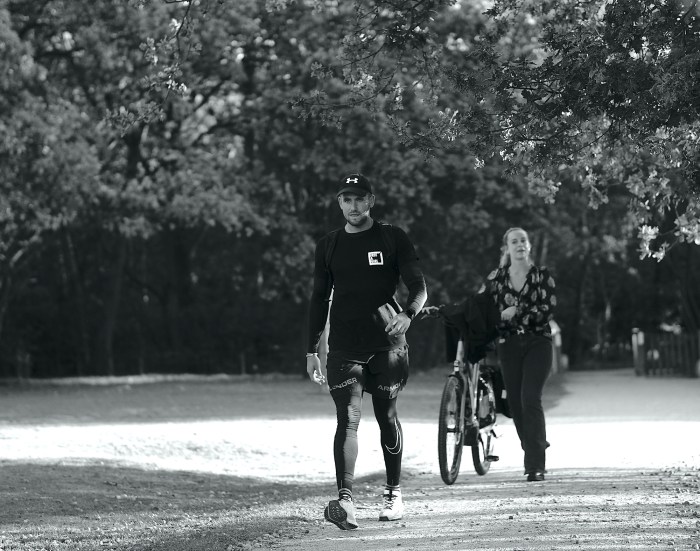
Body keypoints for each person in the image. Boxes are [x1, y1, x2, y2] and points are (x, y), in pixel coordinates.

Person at [306, 173, 428, 530]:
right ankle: (345, 501)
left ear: (370, 201)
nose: (354, 206)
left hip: (387, 345)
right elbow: (318, 299)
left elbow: (418, 285)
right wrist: (311, 350)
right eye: (347, 199)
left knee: (386, 416)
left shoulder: (392, 237)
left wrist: (408, 314)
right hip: (345, 347)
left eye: (360, 199)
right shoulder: (328, 245)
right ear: (339, 203)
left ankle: (393, 493)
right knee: (347, 419)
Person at [481, 227, 556, 482]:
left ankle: (535, 464)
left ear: (529, 246)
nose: (520, 244)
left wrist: (517, 311)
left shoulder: (542, 276)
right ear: (507, 248)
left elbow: (548, 309)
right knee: (514, 403)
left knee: (530, 397)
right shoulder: (496, 278)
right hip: (508, 344)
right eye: (515, 241)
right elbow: (482, 305)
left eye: (523, 240)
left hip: (538, 342)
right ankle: (536, 444)